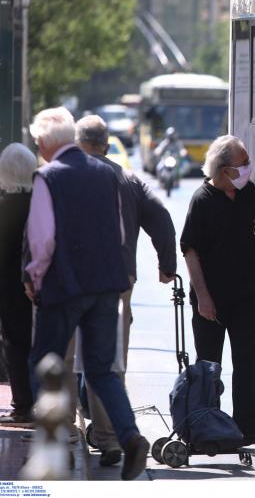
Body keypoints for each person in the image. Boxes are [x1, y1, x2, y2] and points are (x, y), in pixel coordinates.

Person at [24, 107, 150, 480]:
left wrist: (34, 278)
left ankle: (51, 443)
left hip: (64, 287)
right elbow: (121, 235)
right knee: (101, 370)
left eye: (38, 142)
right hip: (106, 285)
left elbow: (42, 241)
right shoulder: (107, 173)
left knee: (45, 363)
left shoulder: (48, 176)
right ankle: (128, 436)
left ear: (47, 142)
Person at [76, 115, 177, 467]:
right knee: (107, 361)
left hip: (70, 282)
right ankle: (109, 438)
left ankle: (68, 430)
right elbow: (161, 217)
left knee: (61, 358)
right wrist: (167, 264)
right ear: (106, 144)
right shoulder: (129, 178)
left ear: (78, 143)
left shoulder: (65, 175)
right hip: (118, 281)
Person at [180, 135, 255, 445]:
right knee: (210, 365)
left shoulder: (245, 190)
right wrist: (204, 298)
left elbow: (252, 216)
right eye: (243, 164)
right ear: (224, 170)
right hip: (212, 298)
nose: (248, 169)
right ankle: (207, 428)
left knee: (247, 361)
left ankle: (249, 426)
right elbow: (190, 250)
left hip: (245, 292)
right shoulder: (202, 200)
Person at [0, 143, 38, 426]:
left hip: (10, 289)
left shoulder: (5, 207)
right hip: (40, 284)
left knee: (15, 343)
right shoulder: (42, 202)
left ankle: (23, 404)